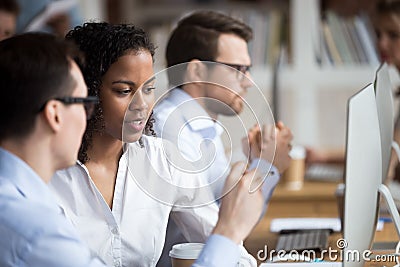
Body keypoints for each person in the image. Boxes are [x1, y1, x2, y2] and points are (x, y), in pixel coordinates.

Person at [0, 31, 267, 267]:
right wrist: (229, 230)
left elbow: (236, 257)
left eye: (149, 89)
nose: (141, 104)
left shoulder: (162, 160)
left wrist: (229, 235)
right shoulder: (36, 192)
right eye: (124, 90)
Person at [153, 10, 293, 266]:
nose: (248, 82)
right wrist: (265, 167)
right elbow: (219, 234)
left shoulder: (201, 127)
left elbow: (236, 224)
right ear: (196, 71)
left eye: (248, 69)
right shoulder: (170, 133)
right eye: (238, 69)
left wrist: (259, 163)